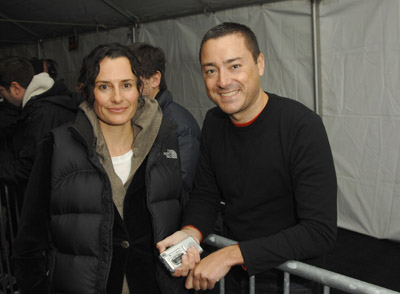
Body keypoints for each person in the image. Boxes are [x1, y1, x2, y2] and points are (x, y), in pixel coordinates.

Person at [157, 22, 337, 293]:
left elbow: (318, 231)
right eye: (210, 70)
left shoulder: (301, 126)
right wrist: (190, 233)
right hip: (236, 277)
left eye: (235, 66)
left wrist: (229, 255)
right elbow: (206, 195)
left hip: (291, 280)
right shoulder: (214, 122)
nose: (223, 81)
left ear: (260, 64)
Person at [12, 43, 187, 294]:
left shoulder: (166, 142)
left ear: (140, 89)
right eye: (104, 86)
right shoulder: (57, 147)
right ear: (88, 91)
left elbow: (184, 213)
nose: (117, 97)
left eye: (126, 85)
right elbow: (29, 243)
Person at [130, 42, 201, 203]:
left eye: (131, 81)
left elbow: (181, 185)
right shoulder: (135, 117)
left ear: (155, 79)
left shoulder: (180, 126)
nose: (124, 90)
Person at [0, 56, 77, 203]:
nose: (1, 96)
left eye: (2, 91)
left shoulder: (41, 113)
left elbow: (31, 167)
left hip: (56, 199)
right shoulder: (54, 99)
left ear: (15, 88)